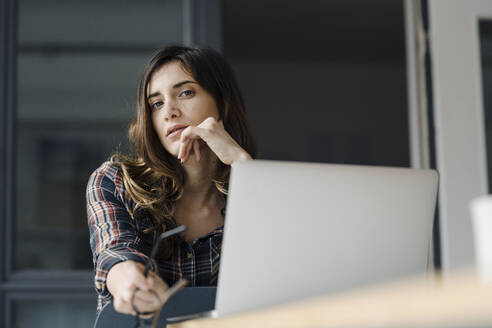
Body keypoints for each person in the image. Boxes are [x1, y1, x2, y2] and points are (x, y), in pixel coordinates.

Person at [86, 45, 257, 316]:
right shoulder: (114, 180)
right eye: (156, 103)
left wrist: (241, 164)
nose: (169, 112)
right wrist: (130, 280)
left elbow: (281, 273)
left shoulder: (258, 190)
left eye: (186, 93)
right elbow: (115, 253)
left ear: (222, 102)